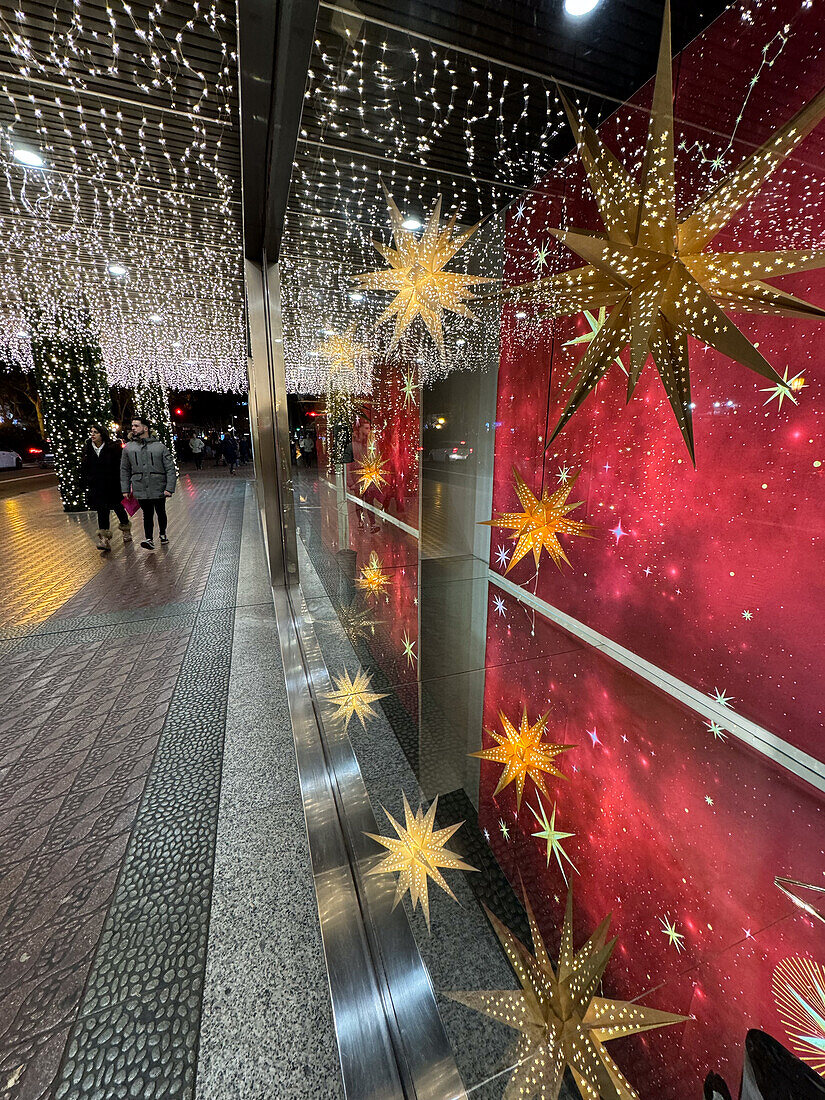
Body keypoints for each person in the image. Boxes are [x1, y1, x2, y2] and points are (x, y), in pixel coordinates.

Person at [120, 416, 177, 550]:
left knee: (160, 511)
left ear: (145, 428)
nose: (133, 428)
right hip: (141, 486)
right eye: (132, 426)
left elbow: (170, 468)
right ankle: (149, 538)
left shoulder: (159, 447)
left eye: (136, 425)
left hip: (158, 486)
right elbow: (124, 469)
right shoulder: (128, 448)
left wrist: (169, 488)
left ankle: (162, 534)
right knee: (147, 513)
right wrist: (125, 489)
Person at [83, 424, 132, 551]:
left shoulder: (113, 448)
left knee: (118, 508)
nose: (92, 434)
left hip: (113, 485)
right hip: (98, 486)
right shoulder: (88, 448)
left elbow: (120, 466)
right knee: (102, 511)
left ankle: (126, 529)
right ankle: (104, 539)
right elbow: (86, 467)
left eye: (96, 432)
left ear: (102, 434)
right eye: (91, 432)